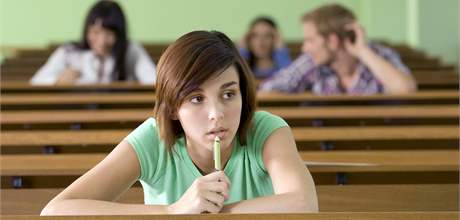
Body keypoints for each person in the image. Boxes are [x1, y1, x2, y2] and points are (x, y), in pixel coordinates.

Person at [40, 30, 318, 215]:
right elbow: (57, 211)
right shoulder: (154, 138)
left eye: (229, 94)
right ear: (173, 107)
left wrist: (216, 210)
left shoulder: (267, 130)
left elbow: (304, 203)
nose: (216, 113)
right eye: (197, 98)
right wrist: (174, 210)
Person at [259, 4, 417, 94]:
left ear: (333, 41)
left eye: (310, 40)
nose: (304, 47)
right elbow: (267, 90)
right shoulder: (313, 62)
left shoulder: (378, 55)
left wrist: (363, 51)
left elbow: (406, 89)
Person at [30, 0, 156, 85]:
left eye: (109, 34)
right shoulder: (69, 52)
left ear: (119, 35)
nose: (101, 41)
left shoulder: (130, 50)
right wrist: (57, 81)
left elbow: (153, 80)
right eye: (96, 32)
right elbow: (35, 82)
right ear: (87, 31)